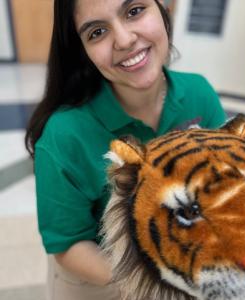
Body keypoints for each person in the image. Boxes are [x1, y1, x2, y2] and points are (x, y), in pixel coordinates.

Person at [25, 0, 227, 299]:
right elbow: (69, 244)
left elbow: (220, 190)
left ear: (163, 8)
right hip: (99, 277)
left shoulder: (200, 94)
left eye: (134, 11)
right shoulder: (63, 135)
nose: (124, 40)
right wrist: (154, 287)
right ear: (84, 52)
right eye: (96, 32)